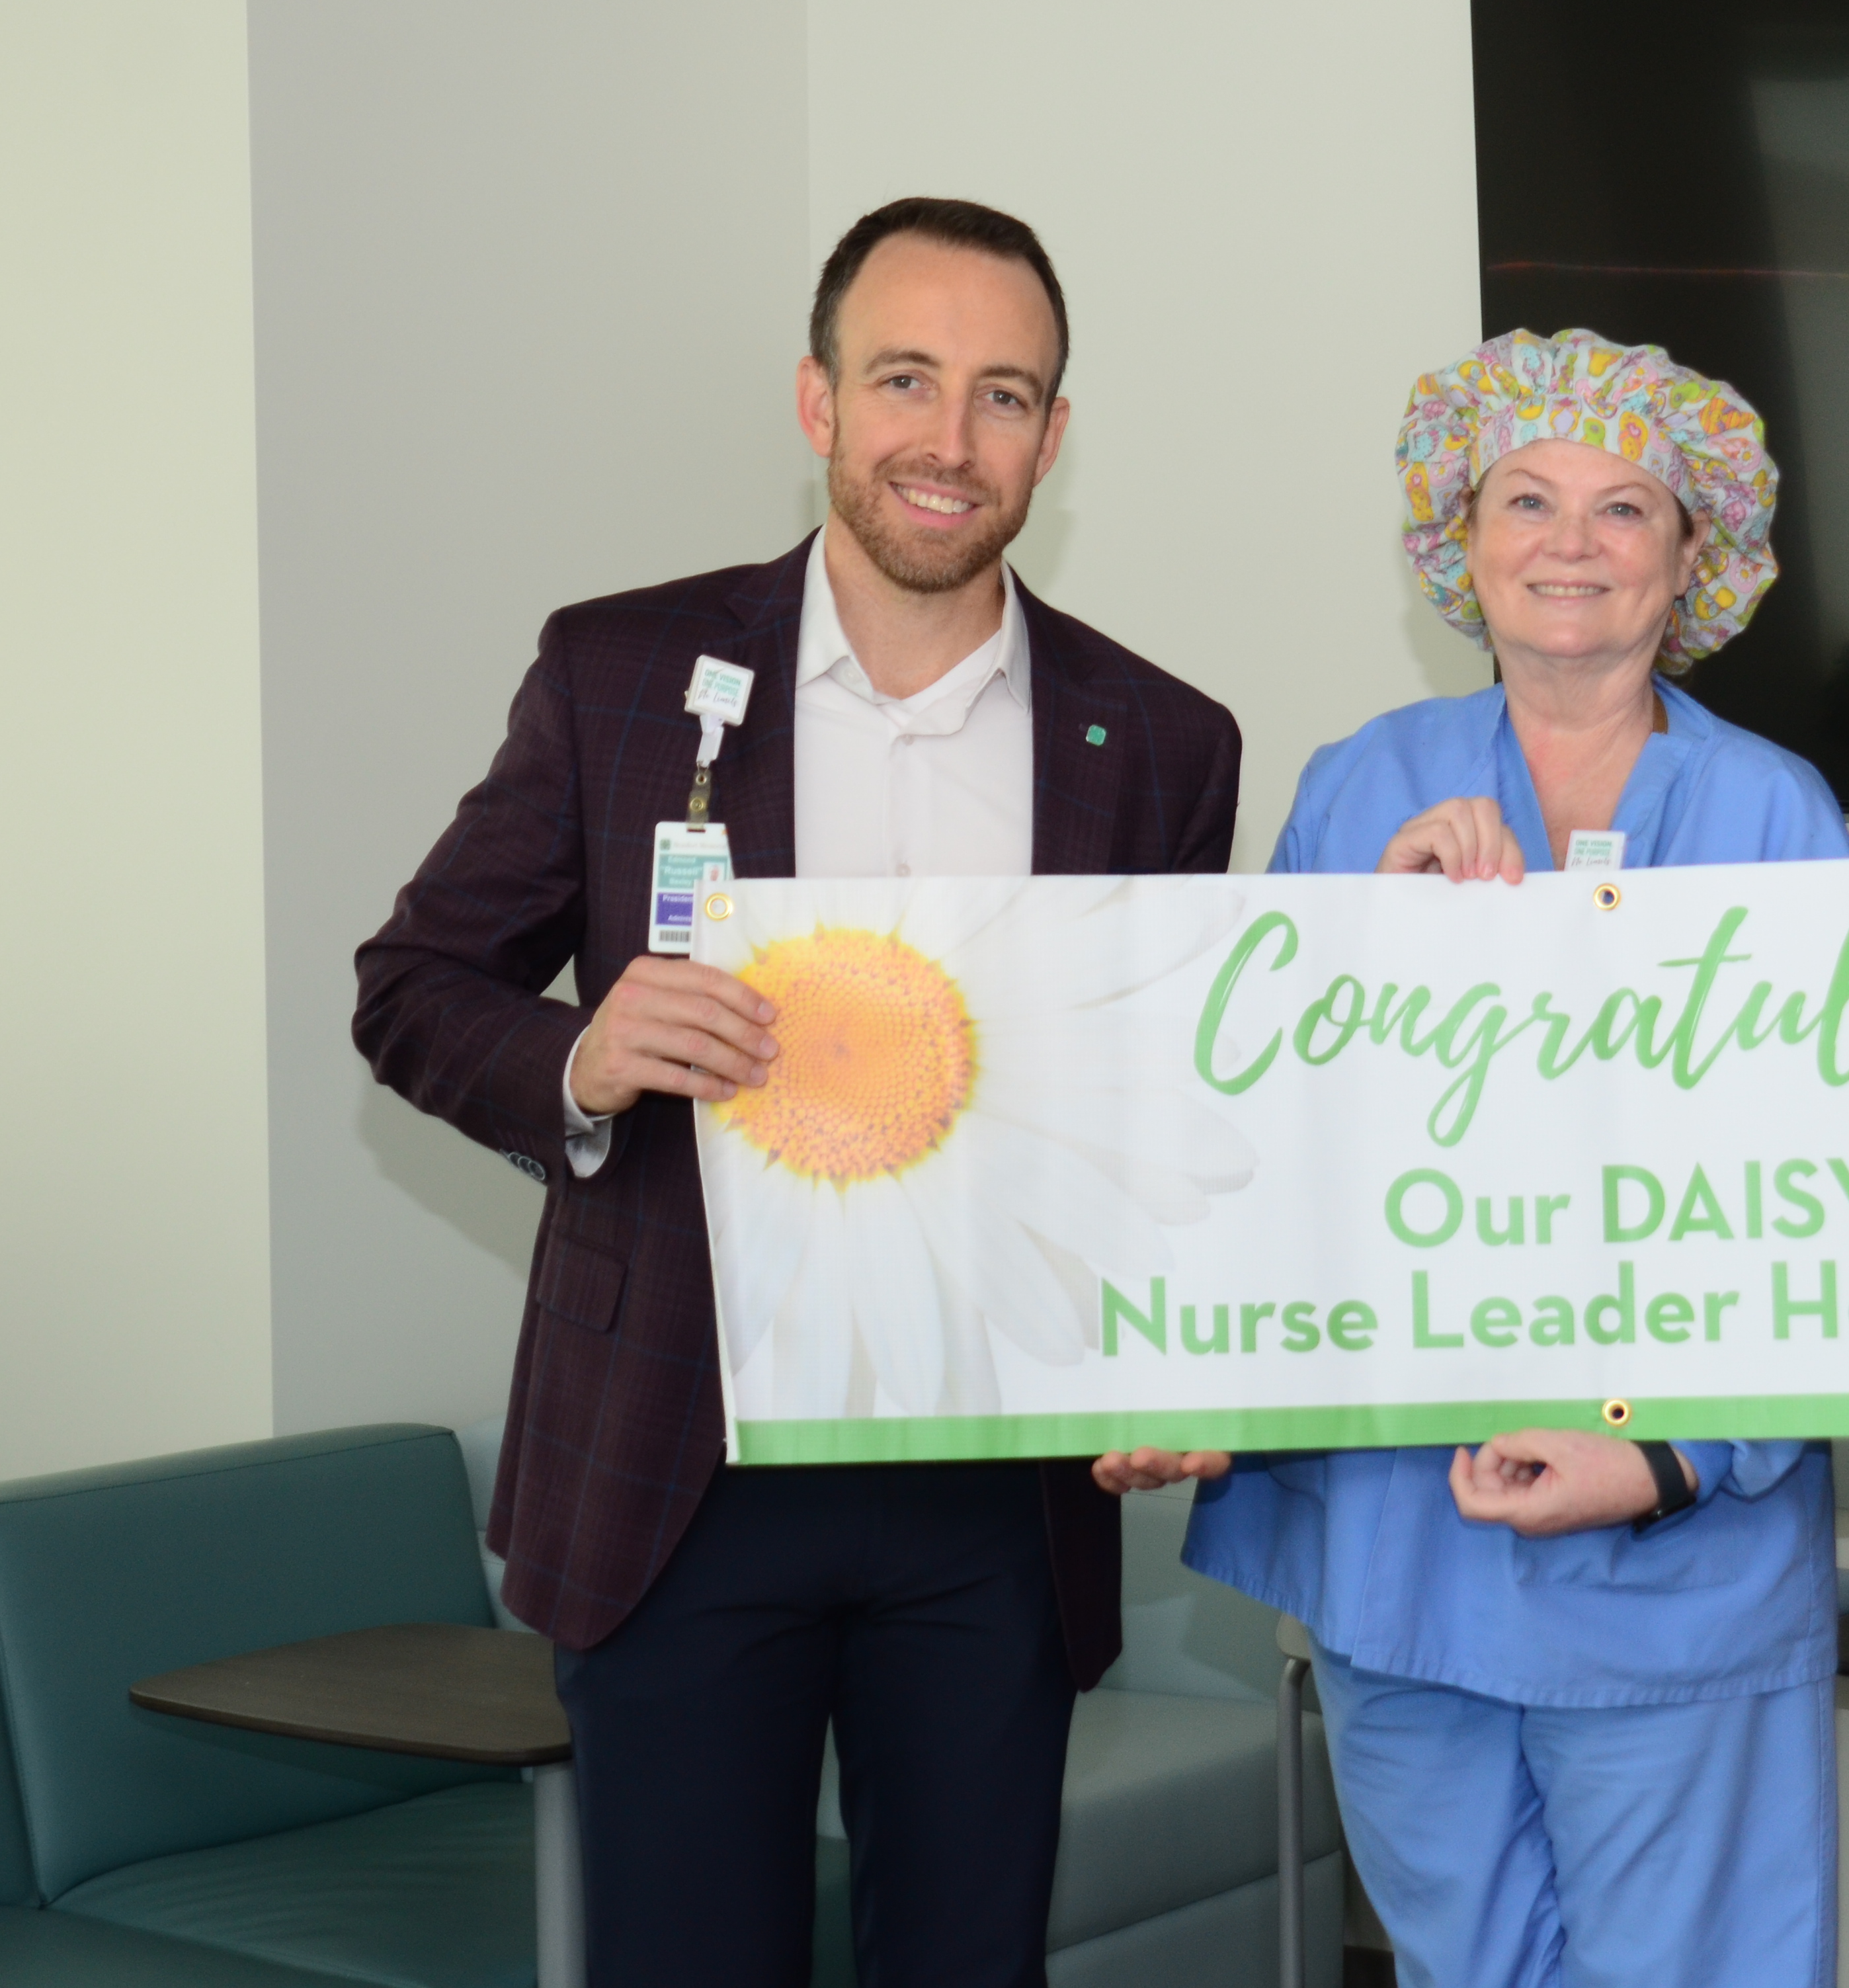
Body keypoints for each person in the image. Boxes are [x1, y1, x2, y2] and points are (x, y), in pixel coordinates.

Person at [353, 197, 1241, 1986]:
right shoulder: (621, 678)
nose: (950, 436)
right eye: (905, 378)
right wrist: (581, 1058)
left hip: (997, 1495)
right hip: (681, 1475)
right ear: (818, 401)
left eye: (1005, 395)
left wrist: (1185, 1362)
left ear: (1056, 441)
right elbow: (414, 990)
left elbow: (1169, 1121)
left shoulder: (1158, 741)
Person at [1112, 330, 1849, 1988]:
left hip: (1677, 1558)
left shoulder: (1770, 812)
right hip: (1401, 1544)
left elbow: (1842, 1205)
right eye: (1526, 498)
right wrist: (1196, 1387)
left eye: (1621, 507)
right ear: (1463, 538)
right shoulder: (1359, 788)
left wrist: (1675, 1457)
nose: (1569, 542)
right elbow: (1262, 1136)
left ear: (1695, 559)